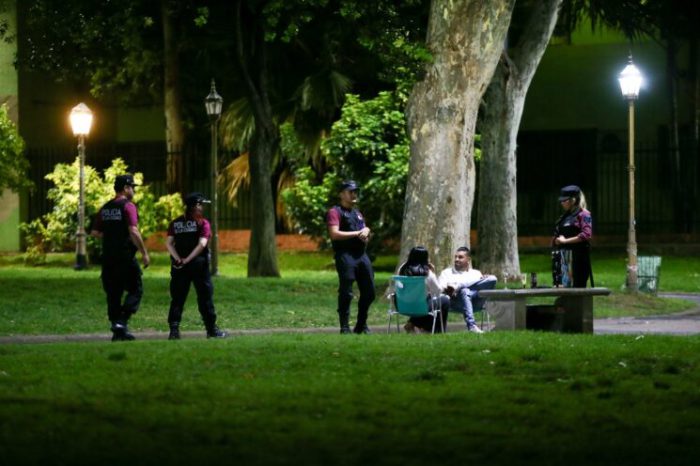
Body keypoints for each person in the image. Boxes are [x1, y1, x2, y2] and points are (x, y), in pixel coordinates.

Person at [90, 174, 150, 341]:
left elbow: (95, 232)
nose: (133, 190)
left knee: (113, 293)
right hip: (125, 257)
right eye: (132, 187)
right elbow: (133, 230)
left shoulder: (106, 207)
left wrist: (111, 236)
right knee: (136, 289)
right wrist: (144, 253)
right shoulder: (128, 206)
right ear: (125, 188)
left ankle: (118, 332)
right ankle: (122, 322)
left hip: (108, 257)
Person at [165, 192, 226, 340]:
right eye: (201, 204)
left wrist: (178, 258)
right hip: (198, 266)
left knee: (177, 298)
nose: (202, 208)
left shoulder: (176, 223)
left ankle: (174, 331)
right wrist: (188, 259)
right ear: (197, 206)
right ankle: (211, 330)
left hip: (179, 267)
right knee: (205, 297)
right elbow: (202, 244)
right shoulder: (203, 223)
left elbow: (168, 243)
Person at [327, 180, 375, 334]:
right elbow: (334, 234)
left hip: (361, 255)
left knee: (369, 292)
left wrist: (367, 233)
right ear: (342, 194)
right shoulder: (335, 212)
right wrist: (357, 233)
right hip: (345, 255)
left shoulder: (358, 214)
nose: (354, 194)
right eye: (350, 191)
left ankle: (361, 325)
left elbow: (364, 237)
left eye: (355, 191)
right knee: (346, 291)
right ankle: (344, 327)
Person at [437, 247, 497, 333]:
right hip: (455, 303)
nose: (456, 259)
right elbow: (440, 289)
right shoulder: (446, 273)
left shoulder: (476, 273)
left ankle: (458, 286)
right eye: (456, 257)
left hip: (475, 303)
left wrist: (458, 287)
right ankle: (472, 326)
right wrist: (447, 290)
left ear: (468, 259)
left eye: (460, 257)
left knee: (493, 278)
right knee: (464, 291)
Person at [398, 246, 450, 334]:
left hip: (402, 306)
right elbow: (437, 291)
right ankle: (436, 331)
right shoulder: (427, 273)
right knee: (444, 300)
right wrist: (433, 272)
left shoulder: (402, 269)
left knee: (429, 301)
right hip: (420, 307)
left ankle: (414, 323)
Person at [552, 185, 593, 288]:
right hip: (563, 261)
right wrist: (556, 240)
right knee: (563, 291)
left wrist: (565, 241)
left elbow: (586, 235)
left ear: (573, 200)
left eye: (565, 200)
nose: (562, 203)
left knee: (577, 292)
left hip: (578, 261)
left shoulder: (584, 214)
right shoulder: (564, 217)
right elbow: (558, 234)